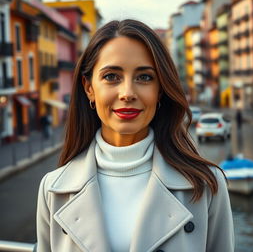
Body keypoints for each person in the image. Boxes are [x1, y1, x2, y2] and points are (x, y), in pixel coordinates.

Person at [36, 19, 234, 252]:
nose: (127, 93)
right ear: (89, 87)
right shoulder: (53, 189)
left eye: (144, 77)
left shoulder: (206, 184)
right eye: (111, 76)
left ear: (160, 89)